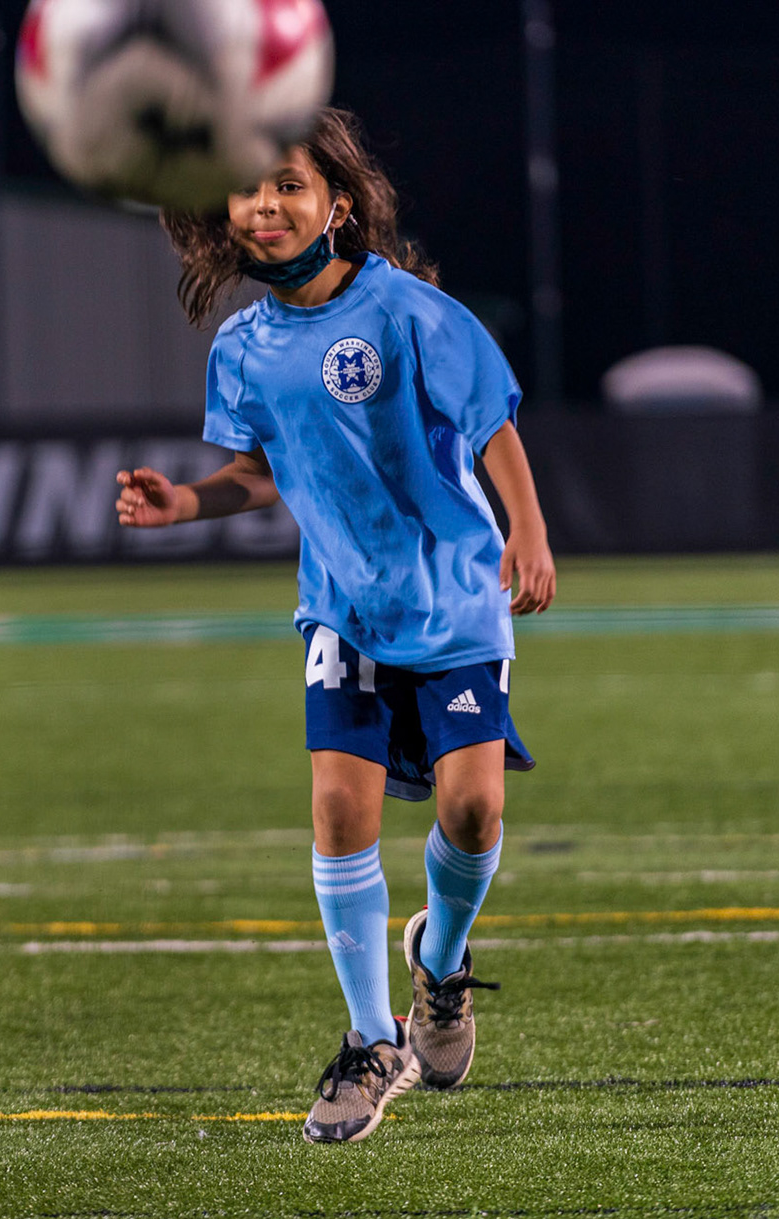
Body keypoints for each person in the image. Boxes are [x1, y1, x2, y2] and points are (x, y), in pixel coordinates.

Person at [115, 108, 556, 1143]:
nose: (264, 205)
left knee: (477, 810)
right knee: (339, 813)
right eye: (248, 191)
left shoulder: (404, 312)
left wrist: (527, 534)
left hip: (451, 599)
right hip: (342, 608)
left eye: (288, 186)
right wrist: (188, 501)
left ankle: (439, 968)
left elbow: (493, 422)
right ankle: (371, 1040)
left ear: (337, 205)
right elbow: (256, 474)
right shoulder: (244, 346)